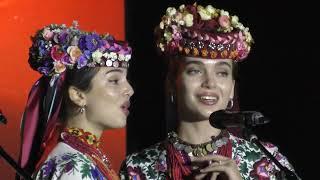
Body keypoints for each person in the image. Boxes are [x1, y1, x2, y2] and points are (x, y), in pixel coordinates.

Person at [120, 3, 299, 180]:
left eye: (222, 73)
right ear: (172, 84)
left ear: (232, 89)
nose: (210, 83)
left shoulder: (268, 164)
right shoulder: (138, 169)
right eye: (195, 70)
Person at [17, 22, 134, 179]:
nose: (130, 90)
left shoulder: (81, 157)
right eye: (114, 80)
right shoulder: (74, 167)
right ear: (78, 96)